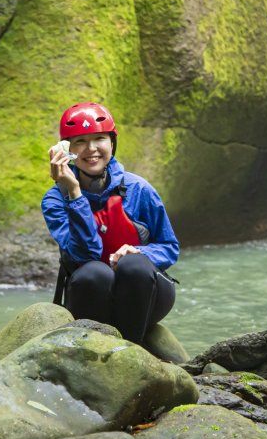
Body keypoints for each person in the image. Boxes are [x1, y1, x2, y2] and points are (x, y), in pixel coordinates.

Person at [42, 102, 179, 343]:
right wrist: (74, 193)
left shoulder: (139, 189)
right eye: (80, 141)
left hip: (144, 295)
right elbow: (86, 255)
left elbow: (169, 247)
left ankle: (131, 350)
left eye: (99, 139)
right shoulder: (55, 200)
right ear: (67, 150)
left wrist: (140, 252)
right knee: (96, 273)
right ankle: (100, 348)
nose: (91, 149)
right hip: (90, 294)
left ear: (111, 143)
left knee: (134, 264)